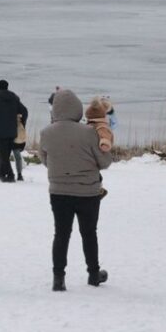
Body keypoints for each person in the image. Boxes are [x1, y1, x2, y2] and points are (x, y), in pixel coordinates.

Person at [39, 89, 112, 292]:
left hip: (58, 192)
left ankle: (58, 278)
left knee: (61, 234)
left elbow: (45, 160)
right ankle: (93, 274)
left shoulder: (46, 133)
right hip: (88, 192)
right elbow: (104, 162)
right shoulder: (89, 132)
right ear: (77, 108)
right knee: (89, 233)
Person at [0, 79, 28, 182]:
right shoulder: (14, 97)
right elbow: (24, 111)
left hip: (1, 131)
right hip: (12, 131)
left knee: (4, 155)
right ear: (7, 87)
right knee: (5, 154)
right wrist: (22, 123)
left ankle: (10, 175)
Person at [13, 114, 27, 182]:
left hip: (16, 142)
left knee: (17, 157)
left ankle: (19, 174)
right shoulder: (22, 119)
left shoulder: (22, 121)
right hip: (17, 141)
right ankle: (19, 175)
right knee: (18, 158)